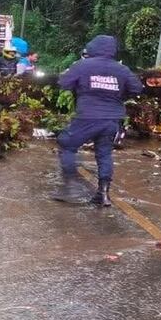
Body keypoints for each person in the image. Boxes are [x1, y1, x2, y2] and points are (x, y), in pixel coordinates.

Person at [53, 35, 143, 207]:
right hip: (112, 119)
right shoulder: (122, 69)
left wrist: (82, 88)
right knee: (104, 154)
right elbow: (137, 89)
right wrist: (119, 94)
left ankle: (71, 186)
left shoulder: (82, 65)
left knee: (67, 143)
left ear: (92, 48)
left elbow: (63, 82)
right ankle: (103, 194)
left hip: (88, 116)